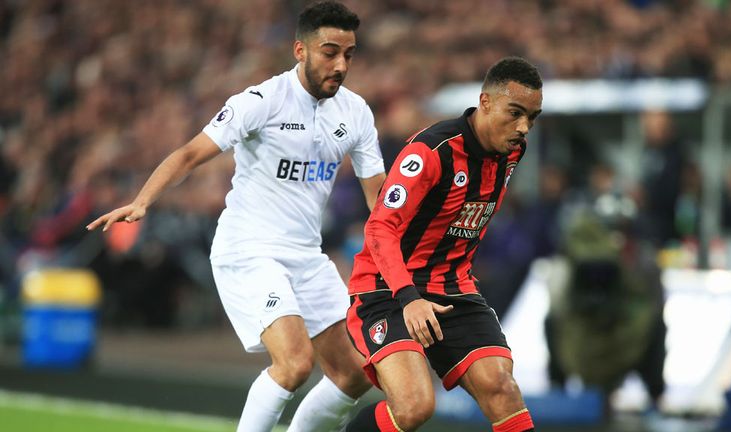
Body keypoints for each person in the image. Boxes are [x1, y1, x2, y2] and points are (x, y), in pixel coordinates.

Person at [86, 2, 385, 431]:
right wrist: (143, 201)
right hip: (250, 250)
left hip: (306, 255)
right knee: (295, 362)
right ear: (300, 50)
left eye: (349, 54)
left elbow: (380, 196)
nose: (340, 64)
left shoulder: (355, 112)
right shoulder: (262, 101)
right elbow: (190, 153)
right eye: (330, 52)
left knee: (356, 372)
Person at [345, 57, 542, 432]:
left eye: (532, 117)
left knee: (502, 387)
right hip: (388, 289)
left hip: (453, 287)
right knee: (414, 406)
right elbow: (379, 229)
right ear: (485, 102)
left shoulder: (512, 152)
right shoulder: (430, 151)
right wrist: (409, 297)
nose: (523, 127)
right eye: (515, 113)